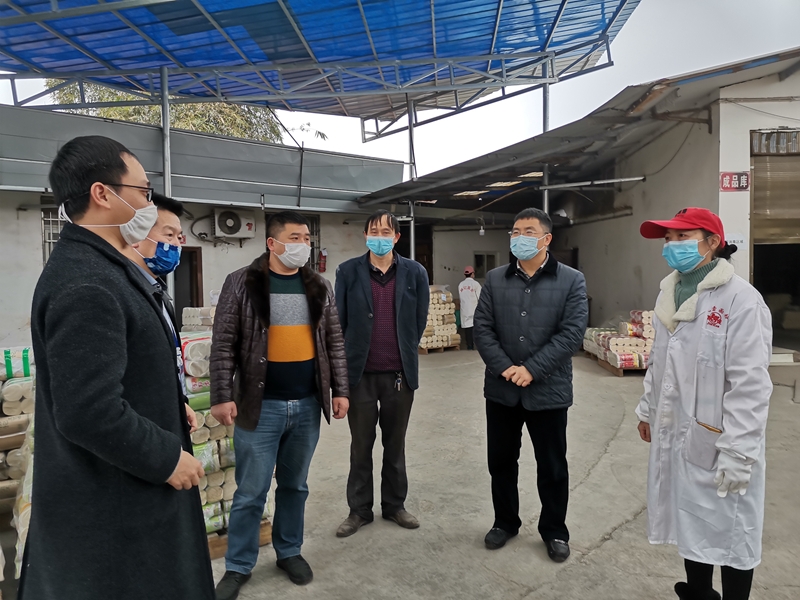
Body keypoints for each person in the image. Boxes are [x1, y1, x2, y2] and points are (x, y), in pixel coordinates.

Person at [22, 136, 214, 600]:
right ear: (102, 194)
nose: (149, 204)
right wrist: (166, 457)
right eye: (143, 191)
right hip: (116, 506)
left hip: (125, 489)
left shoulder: (106, 269)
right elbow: (88, 410)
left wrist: (168, 403)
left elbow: (126, 368)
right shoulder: (88, 283)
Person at [210, 211, 350, 599]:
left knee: (295, 486)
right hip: (260, 406)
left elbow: (335, 343)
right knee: (250, 492)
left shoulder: (319, 285)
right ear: (272, 243)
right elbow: (223, 343)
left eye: (306, 238)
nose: (303, 245)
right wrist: (221, 395)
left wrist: (340, 390)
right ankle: (238, 565)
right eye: (295, 238)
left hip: (306, 405)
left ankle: (289, 551)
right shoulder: (241, 283)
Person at [637, 208, 772, 600]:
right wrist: (647, 409)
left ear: (712, 243)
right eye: (668, 239)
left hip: (724, 435)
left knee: (730, 528)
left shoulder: (741, 299)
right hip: (679, 426)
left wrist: (739, 451)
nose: (672, 246)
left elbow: (750, 384)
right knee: (690, 516)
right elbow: (659, 361)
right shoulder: (670, 292)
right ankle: (697, 592)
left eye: (683, 237)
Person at [473, 207, 588, 562]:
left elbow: (572, 333)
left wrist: (532, 370)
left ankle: (555, 530)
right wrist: (506, 368)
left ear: (546, 238)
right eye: (515, 231)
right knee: (501, 461)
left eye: (528, 231)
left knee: (552, 466)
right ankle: (505, 522)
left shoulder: (572, 280)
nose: (519, 237)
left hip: (548, 390)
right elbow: (482, 329)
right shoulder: (495, 279)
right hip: (502, 389)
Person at [334, 210, 430, 538]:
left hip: (399, 376)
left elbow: (419, 320)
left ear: (396, 237)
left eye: (386, 232)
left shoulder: (415, 272)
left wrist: (403, 350)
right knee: (361, 445)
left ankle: (394, 506)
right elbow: (340, 322)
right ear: (365, 235)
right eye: (374, 231)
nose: (379, 237)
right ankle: (359, 510)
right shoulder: (348, 271)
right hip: (360, 374)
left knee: (395, 444)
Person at [458, 266, 482, 350]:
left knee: (467, 329)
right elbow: (480, 297)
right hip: (474, 309)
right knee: (476, 328)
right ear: (472, 274)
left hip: (464, 310)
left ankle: (469, 346)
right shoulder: (475, 284)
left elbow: (461, 297)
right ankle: (478, 346)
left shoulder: (461, 285)